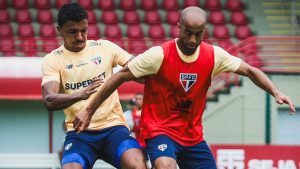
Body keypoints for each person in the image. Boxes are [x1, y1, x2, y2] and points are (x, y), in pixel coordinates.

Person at [73, 6, 296, 169]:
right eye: (187, 32)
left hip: (192, 136)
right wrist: (89, 109)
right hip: (160, 130)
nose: (191, 39)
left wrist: (276, 91)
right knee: (164, 165)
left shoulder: (213, 55)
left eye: (197, 34)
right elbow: (120, 76)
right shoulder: (158, 55)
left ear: (204, 31)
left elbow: (249, 70)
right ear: (179, 27)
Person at [41, 3, 147, 169]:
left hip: (114, 128)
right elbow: (49, 100)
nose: (80, 36)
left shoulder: (104, 47)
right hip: (79, 134)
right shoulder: (53, 59)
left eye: (84, 30)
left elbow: (139, 68)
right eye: (73, 32)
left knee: (137, 165)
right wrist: (81, 94)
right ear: (59, 29)